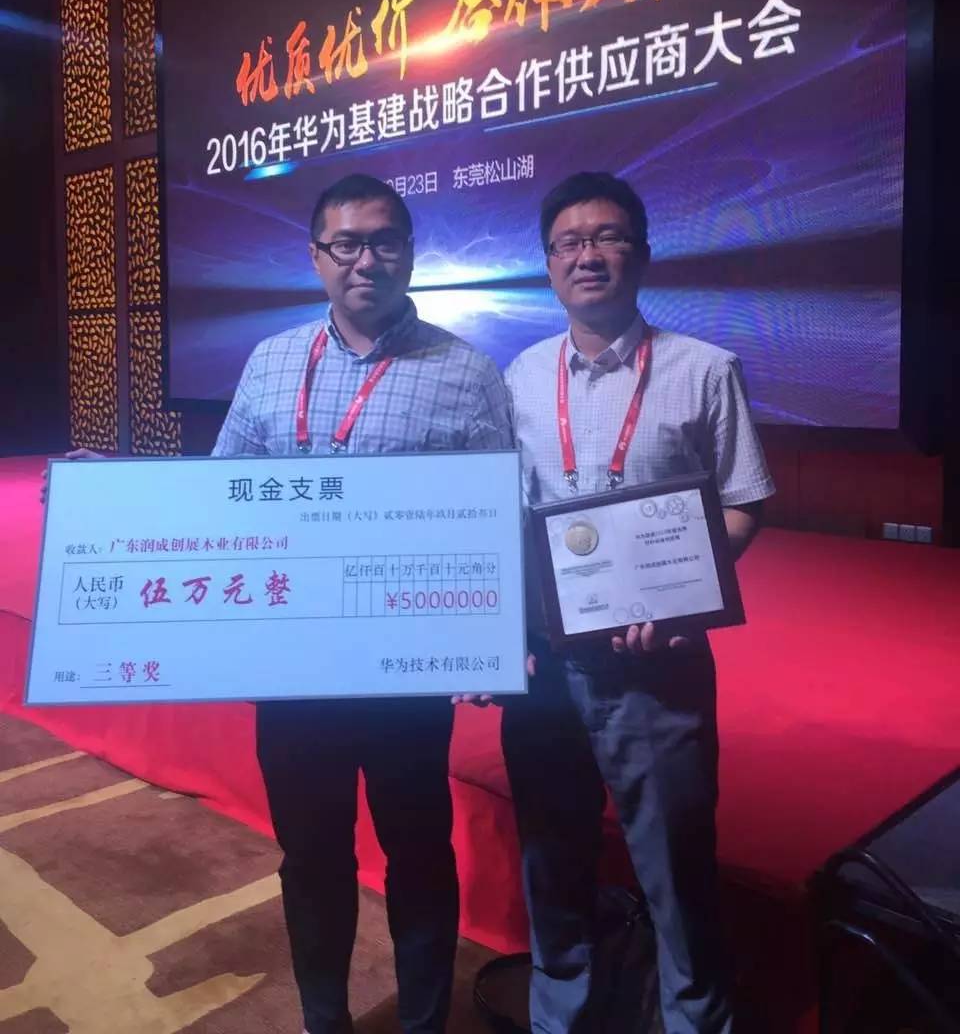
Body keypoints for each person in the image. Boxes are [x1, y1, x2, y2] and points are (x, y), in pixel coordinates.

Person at [208, 173, 514, 1034]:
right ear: (317, 257)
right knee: (311, 858)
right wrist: (116, 499)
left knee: (418, 854)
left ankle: (423, 1024)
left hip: (404, 671)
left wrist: (491, 634)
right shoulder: (271, 362)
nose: (365, 260)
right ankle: (324, 1020)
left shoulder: (465, 372)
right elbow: (220, 495)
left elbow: (497, 518)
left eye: (383, 242)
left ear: (410, 254)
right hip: (294, 669)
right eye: (346, 244)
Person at [501, 172, 775, 1034]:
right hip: (549, 672)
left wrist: (682, 600)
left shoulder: (704, 369)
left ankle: (694, 1019)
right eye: (569, 242)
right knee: (552, 866)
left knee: (678, 874)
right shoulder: (520, 377)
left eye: (608, 237)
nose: (588, 255)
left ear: (643, 255)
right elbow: (502, 517)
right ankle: (562, 1019)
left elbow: (743, 502)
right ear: (550, 265)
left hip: (660, 669)